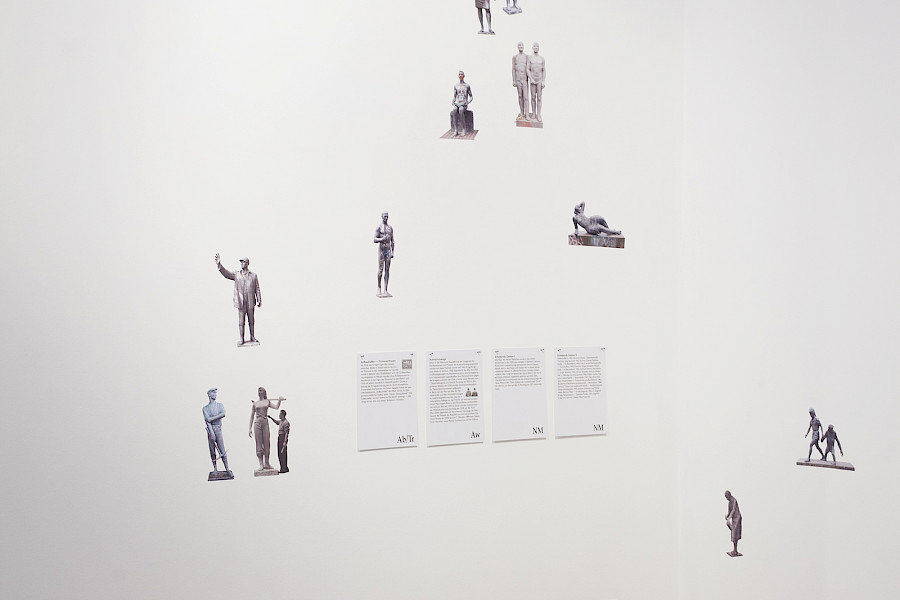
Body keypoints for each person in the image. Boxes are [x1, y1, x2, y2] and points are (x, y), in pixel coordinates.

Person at [215, 254, 261, 346]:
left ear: (247, 264)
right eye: (241, 262)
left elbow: (257, 288)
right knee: (241, 321)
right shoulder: (236, 274)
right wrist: (219, 264)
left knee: (251, 320)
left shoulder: (254, 275)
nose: (242, 264)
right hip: (241, 301)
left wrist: (259, 299)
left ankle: (252, 337)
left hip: (250, 301)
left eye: (243, 262)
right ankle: (241, 339)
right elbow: (226, 274)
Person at [248, 387, 284, 472]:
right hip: (257, 423)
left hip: (265, 422)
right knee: (259, 443)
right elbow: (252, 416)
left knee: (267, 442)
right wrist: (249, 428)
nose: (259, 391)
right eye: (258, 390)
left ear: (264, 392)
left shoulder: (267, 401)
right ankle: (261, 464)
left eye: (261, 390)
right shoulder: (255, 403)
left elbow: (276, 407)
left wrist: (279, 400)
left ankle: (267, 463)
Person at [203, 388, 231, 475]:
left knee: (222, 449)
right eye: (213, 393)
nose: (215, 394)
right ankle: (215, 468)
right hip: (210, 430)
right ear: (209, 395)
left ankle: (227, 468)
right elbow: (207, 421)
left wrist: (211, 419)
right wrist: (211, 433)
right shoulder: (205, 408)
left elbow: (223, 414)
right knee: (212, 450)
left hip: (218, 429)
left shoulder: (219, 405)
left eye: (216, 393)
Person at [374, 212, 394, 297]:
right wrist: (382, 239)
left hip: (388, 250)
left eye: (387, 216)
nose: (386, 218)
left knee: (387, 270)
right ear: (382, 217)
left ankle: (386, 289)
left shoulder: (390, 228)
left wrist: (393, 251)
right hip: (382, 249)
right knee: (380, 269)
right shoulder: (379, 227)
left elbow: (392, 240)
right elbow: (375, 239)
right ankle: (379, 287)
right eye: (385, 216)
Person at [526, 43, 546, 122]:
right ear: (532, 48)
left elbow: (544, 70)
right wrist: (531, 78)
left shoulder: (542, 58)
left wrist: (543, 81)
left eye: (537, 46)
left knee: (539, 98)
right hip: (533, 80)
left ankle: (539, 114)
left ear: (539, 48)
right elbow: (527, 69)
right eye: (534, 46)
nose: (535, 48)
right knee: (533, 97)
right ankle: (534, 113)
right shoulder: (530, 58)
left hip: (539, 79)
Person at [451, 71, 474, 137]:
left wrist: (467, 102)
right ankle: (456, 130)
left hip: (464, 104)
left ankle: (464, 129)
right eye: (459, 74)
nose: (460, 75)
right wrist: (453, 101)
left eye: (461, 74)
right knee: (454, 110)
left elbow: (471, 97)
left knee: (461, 110)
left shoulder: (467, 86)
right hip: (458, 103)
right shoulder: (456, 85)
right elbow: (454, 96)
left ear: (464, 76)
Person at [512, 42, 529, 120]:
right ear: (517, 47)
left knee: (526, 97)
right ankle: (522, 113)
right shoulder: (514, 57)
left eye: (522, 45)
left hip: (524, 79)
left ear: (523, 46)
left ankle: (527, 114)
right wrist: (514, 80)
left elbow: (529, 68)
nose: (520, 46)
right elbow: (513, 69)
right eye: (519, 45)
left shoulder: (527, 57)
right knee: (520, 96)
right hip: (518, 79)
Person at [724, 490, 742, 557]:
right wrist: (727, 516)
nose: (727, 498)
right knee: (733, 532)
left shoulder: (734, 500)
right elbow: (729, 511)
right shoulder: (729, 502)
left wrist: (729, 518)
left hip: (737, 518)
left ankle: (735, 551)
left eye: (727, 497)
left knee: (735, 533)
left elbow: (734, 510)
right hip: (734, 519)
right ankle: (734, 550)